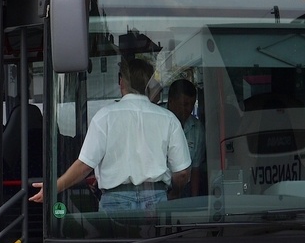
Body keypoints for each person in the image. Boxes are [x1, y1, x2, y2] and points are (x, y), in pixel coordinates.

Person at [31, 57, 191, 211]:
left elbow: (85, 166)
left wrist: (53, 188)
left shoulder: (104, 117)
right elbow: (182, 173)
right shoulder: (169, 119)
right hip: (156, 199)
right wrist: (174, 193)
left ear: (121, 82)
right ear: (150, 85)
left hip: (115, 201)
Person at [166, 78, 204, 196]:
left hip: (184, 188)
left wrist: (194, 199)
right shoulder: (159, 122)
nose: (189, 109)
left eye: (192, 105)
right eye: (185, 104)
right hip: (161, 188)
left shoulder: (197, 129)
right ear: (171, 101)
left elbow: (196, 169)